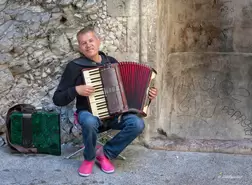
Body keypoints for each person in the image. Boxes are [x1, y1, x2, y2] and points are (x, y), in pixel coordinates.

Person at [52, 26, 158, 177]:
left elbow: (129, 94)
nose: (88, 45)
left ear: (98, 41)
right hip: (88, 115)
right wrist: (76, 90)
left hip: (115, 116)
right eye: (83, 43)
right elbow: (57, 98)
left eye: (91, 40)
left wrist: (148, 95)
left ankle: (105, 154)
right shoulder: (74, 67)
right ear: (80, 48)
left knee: (137, 124)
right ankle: (89, 159)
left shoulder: (112, 62)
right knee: (89, 121)